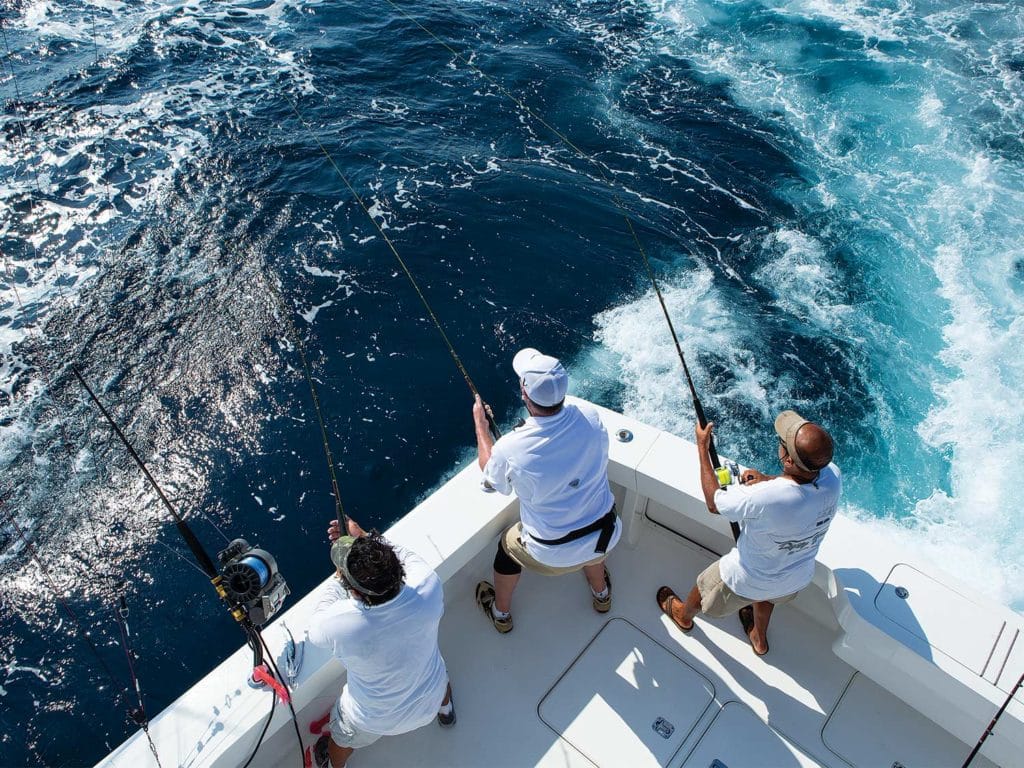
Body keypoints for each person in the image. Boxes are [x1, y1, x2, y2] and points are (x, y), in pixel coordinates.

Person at [656, 410, 841, 656]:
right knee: (768, 597)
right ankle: (759, 638)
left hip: (744, 578)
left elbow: (714, 503)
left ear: (787, 460)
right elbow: (800, 482)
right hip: (794, 578)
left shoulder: (766, 498)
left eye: (782, 442)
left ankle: (683, 616)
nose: (780, 443)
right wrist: (769, 479)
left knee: (703, 587)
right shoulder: (832, 477)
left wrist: (702, 446)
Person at [472, 347, 620, 633]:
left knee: (507, 547)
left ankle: (500, 614)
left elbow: (491, 482)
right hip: (607, 533)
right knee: (591, 537)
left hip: (553, 554)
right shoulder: (590, 415)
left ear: (524, 394)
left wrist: (481, 426)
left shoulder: (511, 447)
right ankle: (601, 595)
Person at [308, 517, 454, 768]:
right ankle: (447, 712)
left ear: (353, 591)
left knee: (342, 739)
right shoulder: (427, 586)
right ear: (398, 570)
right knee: (439, 674)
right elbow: (403, 554)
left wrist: (340, 577)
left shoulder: (340, 624)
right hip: (432, 697)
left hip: (372, 721)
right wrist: (365, 537)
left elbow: (316, 627)